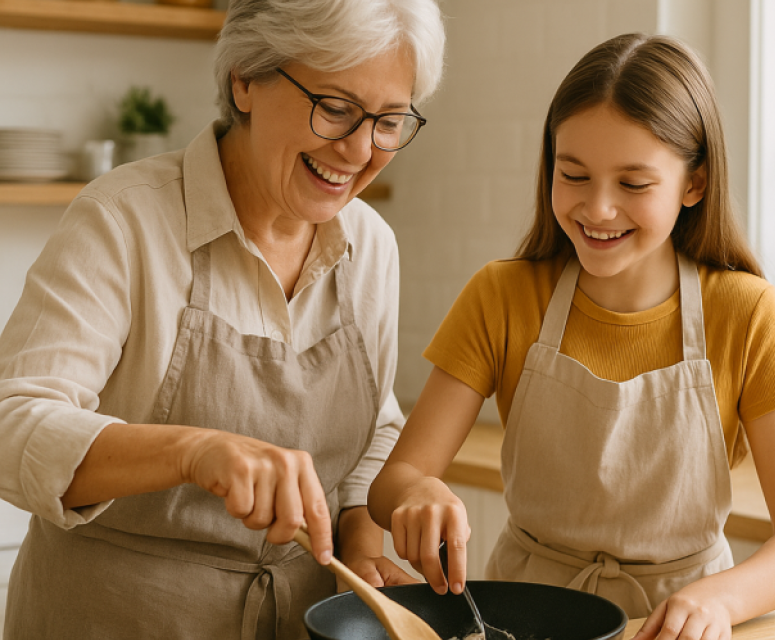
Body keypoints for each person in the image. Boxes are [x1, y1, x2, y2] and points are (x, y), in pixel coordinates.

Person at [368, 33, 775, 640]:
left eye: (634, 184)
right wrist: (418, 493)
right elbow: (393, 481)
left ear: (694, 184)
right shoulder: (502, 296)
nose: (599, 208)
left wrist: (721, 600)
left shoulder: (744, 312)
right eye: (574, 174)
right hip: (523, 618)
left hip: (676, 626)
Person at [0, 0, 445, 637]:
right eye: (336, 108)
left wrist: (361, 541)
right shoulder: (125, 218)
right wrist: (194, 450)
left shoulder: (370, 246)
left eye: (389, 121)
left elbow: (373, 432)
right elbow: (12, 424)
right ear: (244, 77)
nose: (359, 149)